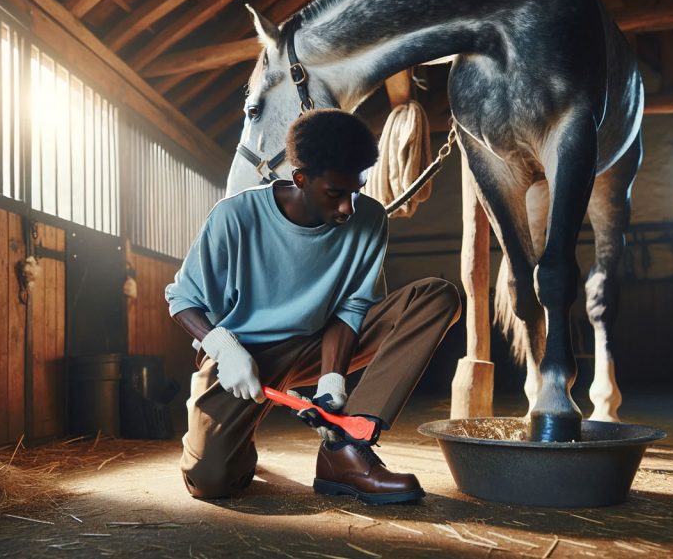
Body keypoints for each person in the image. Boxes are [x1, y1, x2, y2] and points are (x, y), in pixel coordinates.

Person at [165, 109, 461, 504]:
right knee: (211, 481)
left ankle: (346, 451)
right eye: (335, 194)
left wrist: (332, 383)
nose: (348, 209)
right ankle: (228, 436)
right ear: (300, 179)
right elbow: (182, 298)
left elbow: (353, 308)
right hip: (243, 356)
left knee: (437, 296)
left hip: (319, 343)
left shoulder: (369, 218)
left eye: (355, 190)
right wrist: (220, 346)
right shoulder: (236, 217)